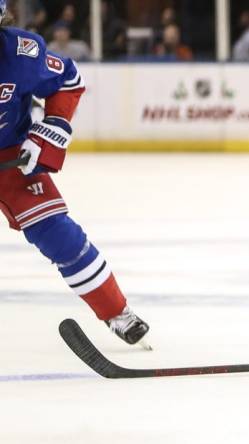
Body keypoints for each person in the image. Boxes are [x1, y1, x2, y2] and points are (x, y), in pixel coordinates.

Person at [0, 1, 149, 346]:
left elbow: (67, 81)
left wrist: (48, 130)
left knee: (58, 234)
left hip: (9, 154)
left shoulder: (21, 52)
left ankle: (117, 314)